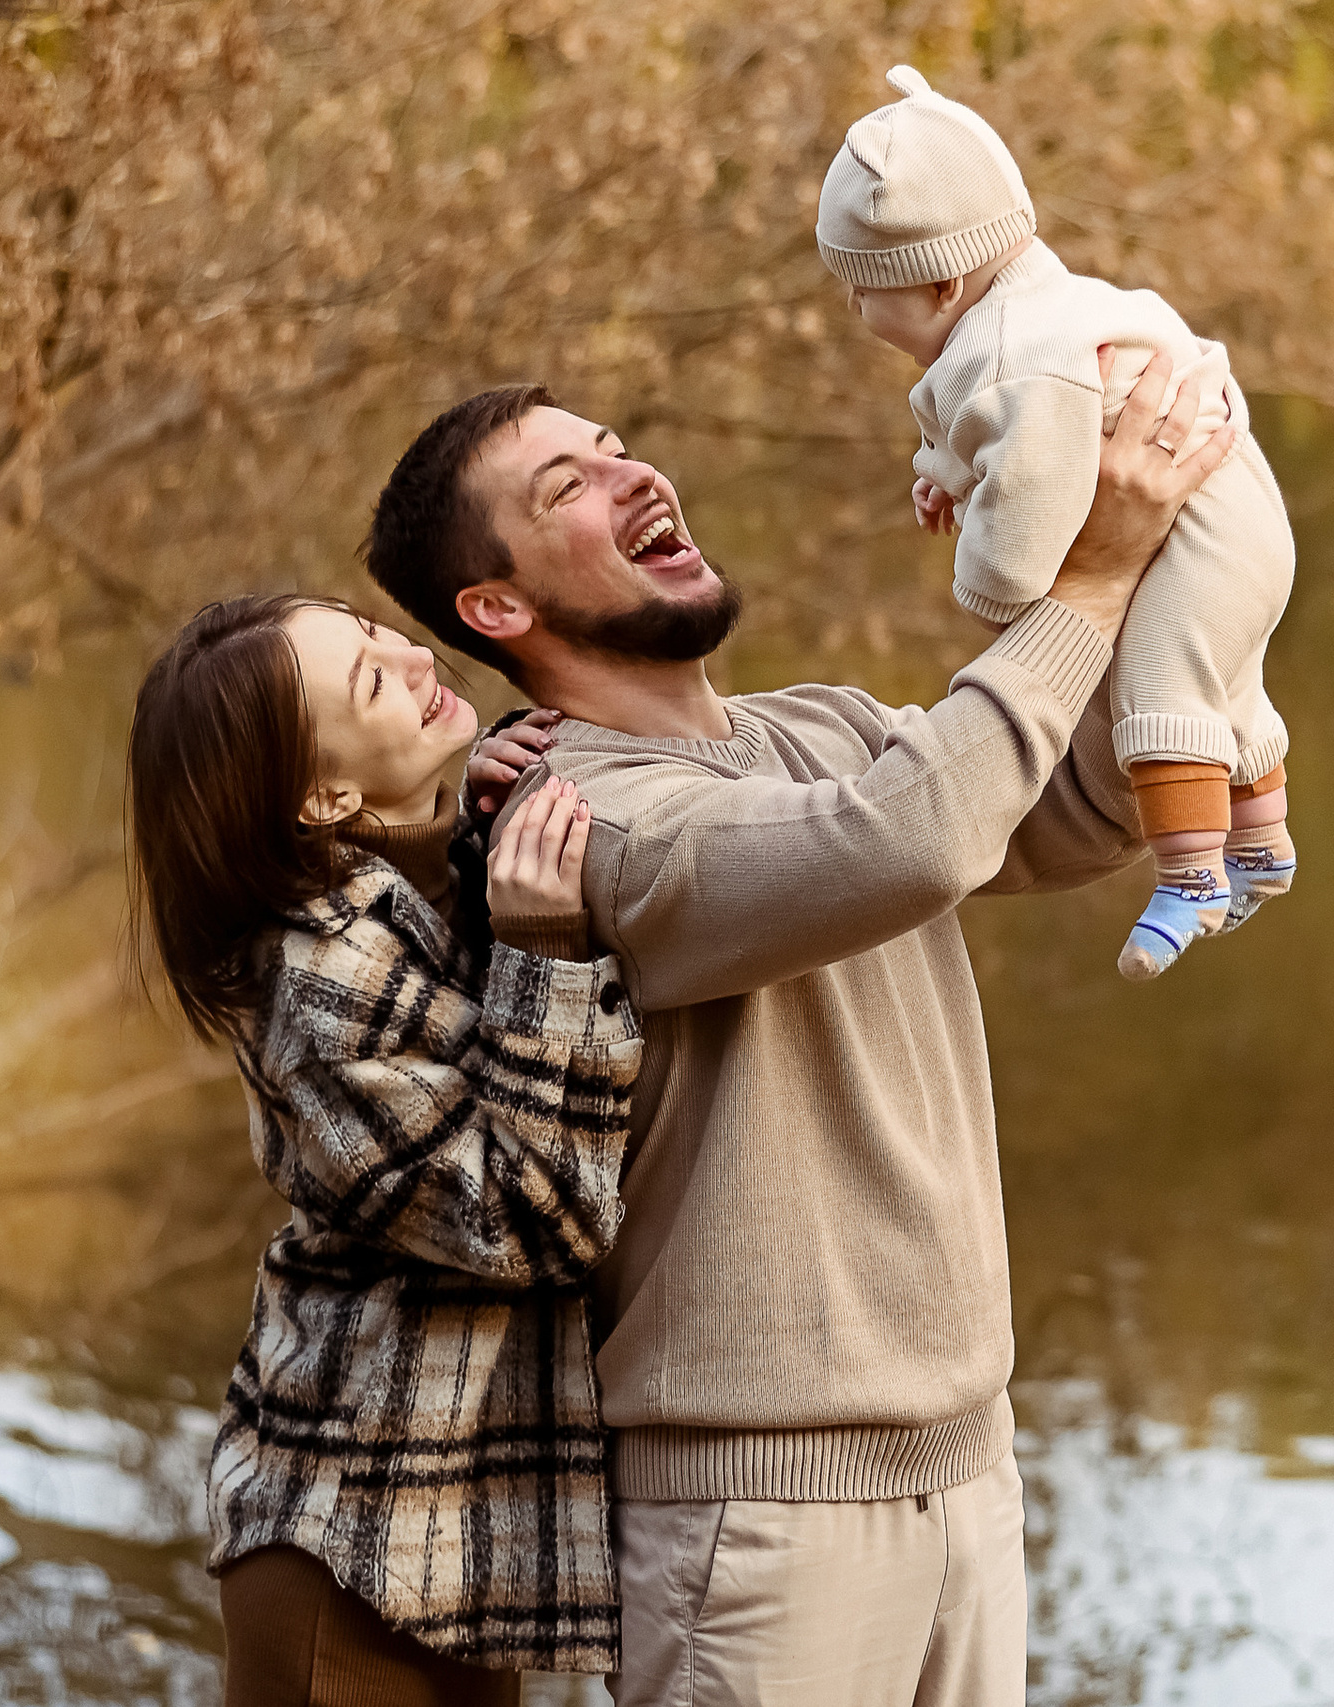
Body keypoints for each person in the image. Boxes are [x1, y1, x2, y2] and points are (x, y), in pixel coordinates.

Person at [361, 359, 1231, 1707]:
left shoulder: (822, 727)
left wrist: (1166, 564)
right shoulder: (578, 819)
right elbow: (919, 833)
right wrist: (1090, 583)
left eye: (619, 446)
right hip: (754, 1524)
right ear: (499, 603)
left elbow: (1077, 810)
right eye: (569, 484)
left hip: (970, 1466)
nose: (635, 473)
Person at [123, 593, 642, 1704]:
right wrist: (545, 951)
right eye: (370, 680)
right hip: (349, 1555)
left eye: (379, 635)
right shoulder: (319, 981)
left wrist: (475, 821)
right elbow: (535, 1218)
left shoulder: (414, 884)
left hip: (441, 1552)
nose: (414, 658)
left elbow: (444, 971)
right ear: (325, 797)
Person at [820, 64, 1299, 979]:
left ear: (939, 285)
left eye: (862, 288)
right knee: (1223, 669)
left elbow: (1033, 505)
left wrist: (989, 578)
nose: (852, 308)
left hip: (1209, 520)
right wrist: (947, 474)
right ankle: (1261, 842)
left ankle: (1191, 871)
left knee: (1159, 680)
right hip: (1228, 499)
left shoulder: (1013, 355)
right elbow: (996, 438)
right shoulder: (1031, 304)